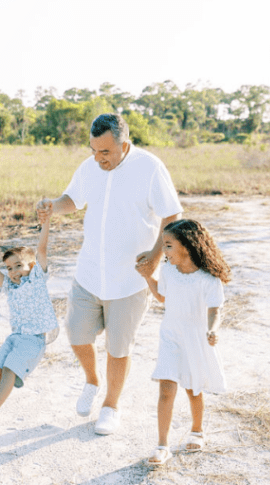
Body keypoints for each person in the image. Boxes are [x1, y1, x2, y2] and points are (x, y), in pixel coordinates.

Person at [37, 113, 182, 436]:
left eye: (105, 152)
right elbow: (73, 200)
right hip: (89, 272)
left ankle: (110, 406)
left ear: (124, 145)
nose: (98, 158)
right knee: (76, 333)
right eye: (93, 150)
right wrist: (51, 205)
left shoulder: (150, 167)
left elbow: (172, 213)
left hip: (129, 279)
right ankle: (92, 379)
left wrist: (156, 257)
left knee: (119, 348)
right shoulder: (91, 167)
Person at [141, 219, 229, 466]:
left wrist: (212, 329)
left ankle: (197, 431)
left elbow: (214, 311)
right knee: (166, 390)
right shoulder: (169, 270)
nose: (163, 251)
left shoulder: (208, 279)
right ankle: (162, 445)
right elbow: (162, 297)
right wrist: (149, 276)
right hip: (170, 336)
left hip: (195, 338)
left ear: (187, 247)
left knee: (193, 388)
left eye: (168, 246)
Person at [0, 209, 58, 429]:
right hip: (15, 337)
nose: (14, 272)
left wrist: (45, 224)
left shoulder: (37, 278)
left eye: (18, 266)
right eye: (9, 268)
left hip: (34, 340)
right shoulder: (10, 286)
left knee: (9, 368)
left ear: (31, 266)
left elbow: (42, 249)